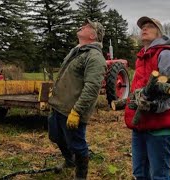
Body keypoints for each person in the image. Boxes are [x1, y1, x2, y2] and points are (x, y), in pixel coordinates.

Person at [124, 16, 170, 180]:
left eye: (149, 26)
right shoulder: (142, 57)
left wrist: (154, 106)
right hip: (141, 125)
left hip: (162, 126)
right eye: (142, 27)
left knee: (159, 176)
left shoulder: (166, 54)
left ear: (159, 33)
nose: (144, 29)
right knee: (140, 174)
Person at [47, 19, 106, 180]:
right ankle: (69, 161)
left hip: (73, 110)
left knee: (77, 145)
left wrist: (77, 111)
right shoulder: (77, 50)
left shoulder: (95, 57)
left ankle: (81, 176)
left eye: (87, 26)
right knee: (55, 136)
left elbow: (92, 88)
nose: (82, 26)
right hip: (59, 106)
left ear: (93, 35)